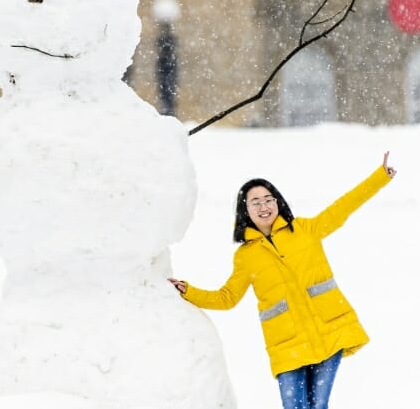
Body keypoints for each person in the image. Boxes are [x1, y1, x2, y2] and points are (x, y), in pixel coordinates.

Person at [169, 152, 397, 409]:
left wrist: (380, 177)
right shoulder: (245, 257)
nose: (263, 206)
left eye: (268, 199)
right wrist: (188, 291)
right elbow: (227, 298)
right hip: (287, 346)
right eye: (255, 202)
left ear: (278, 203)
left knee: (317, 405)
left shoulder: (305, 230)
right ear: (245, 210)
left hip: (328, 331)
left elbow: (343, 208)